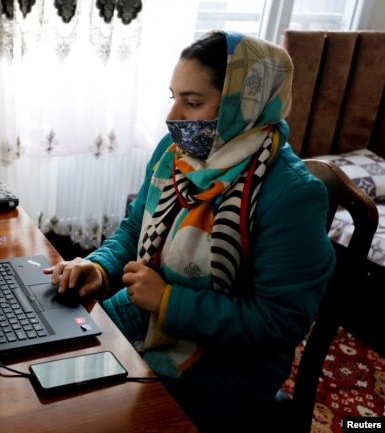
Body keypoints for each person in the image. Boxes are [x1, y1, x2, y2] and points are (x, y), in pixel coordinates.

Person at [43, 30, 335, 431]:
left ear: (241, 106)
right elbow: (133, 229)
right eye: (173, 97)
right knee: (56, 363)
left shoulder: (291, 195)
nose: (173, 117)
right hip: (149, 317)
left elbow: (278, 322)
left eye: (192, 102)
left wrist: (168, 302)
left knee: (96, 411)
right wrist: (99, 269)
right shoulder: (175, 153)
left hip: (230, 364)